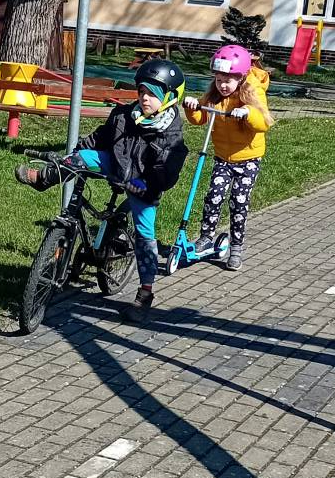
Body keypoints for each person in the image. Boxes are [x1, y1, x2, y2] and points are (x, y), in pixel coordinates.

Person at [15, 57, 188, 319]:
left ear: (170, 97)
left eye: (153, 94)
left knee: (145, 235)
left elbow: (165, 174)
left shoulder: (171, 137)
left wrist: (141, 185)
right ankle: (44, 178)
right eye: (141, 91)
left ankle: (145, 292)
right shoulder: (123, 116)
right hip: (115, 165)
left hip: (143, 184)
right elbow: (100, 138)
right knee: (80, 159)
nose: (144, 98)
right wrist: (74, 154)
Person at [182, 43, 272, 271]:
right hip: (223, 157)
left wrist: (248, 112)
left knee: (238, 202)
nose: (222, 85)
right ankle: (206, 236)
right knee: (214, 196)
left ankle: (237, 247)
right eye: (219, 79)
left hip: (248, 159)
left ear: (240, 78)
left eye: (228, 81)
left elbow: (263, 123)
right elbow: (199, 118)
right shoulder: (214, 95)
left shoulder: (253, 92)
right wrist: (192, 107)